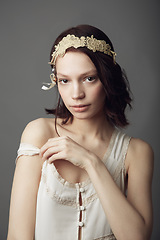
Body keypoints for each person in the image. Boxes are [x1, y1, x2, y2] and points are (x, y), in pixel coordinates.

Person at [7, 25, 154, 240]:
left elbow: (137, 237)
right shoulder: (39, 134)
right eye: (65, 81)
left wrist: (91, 162)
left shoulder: (137, 152)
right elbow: (18, 236)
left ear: (107, 79)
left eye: (89, 78)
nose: (76, 94)